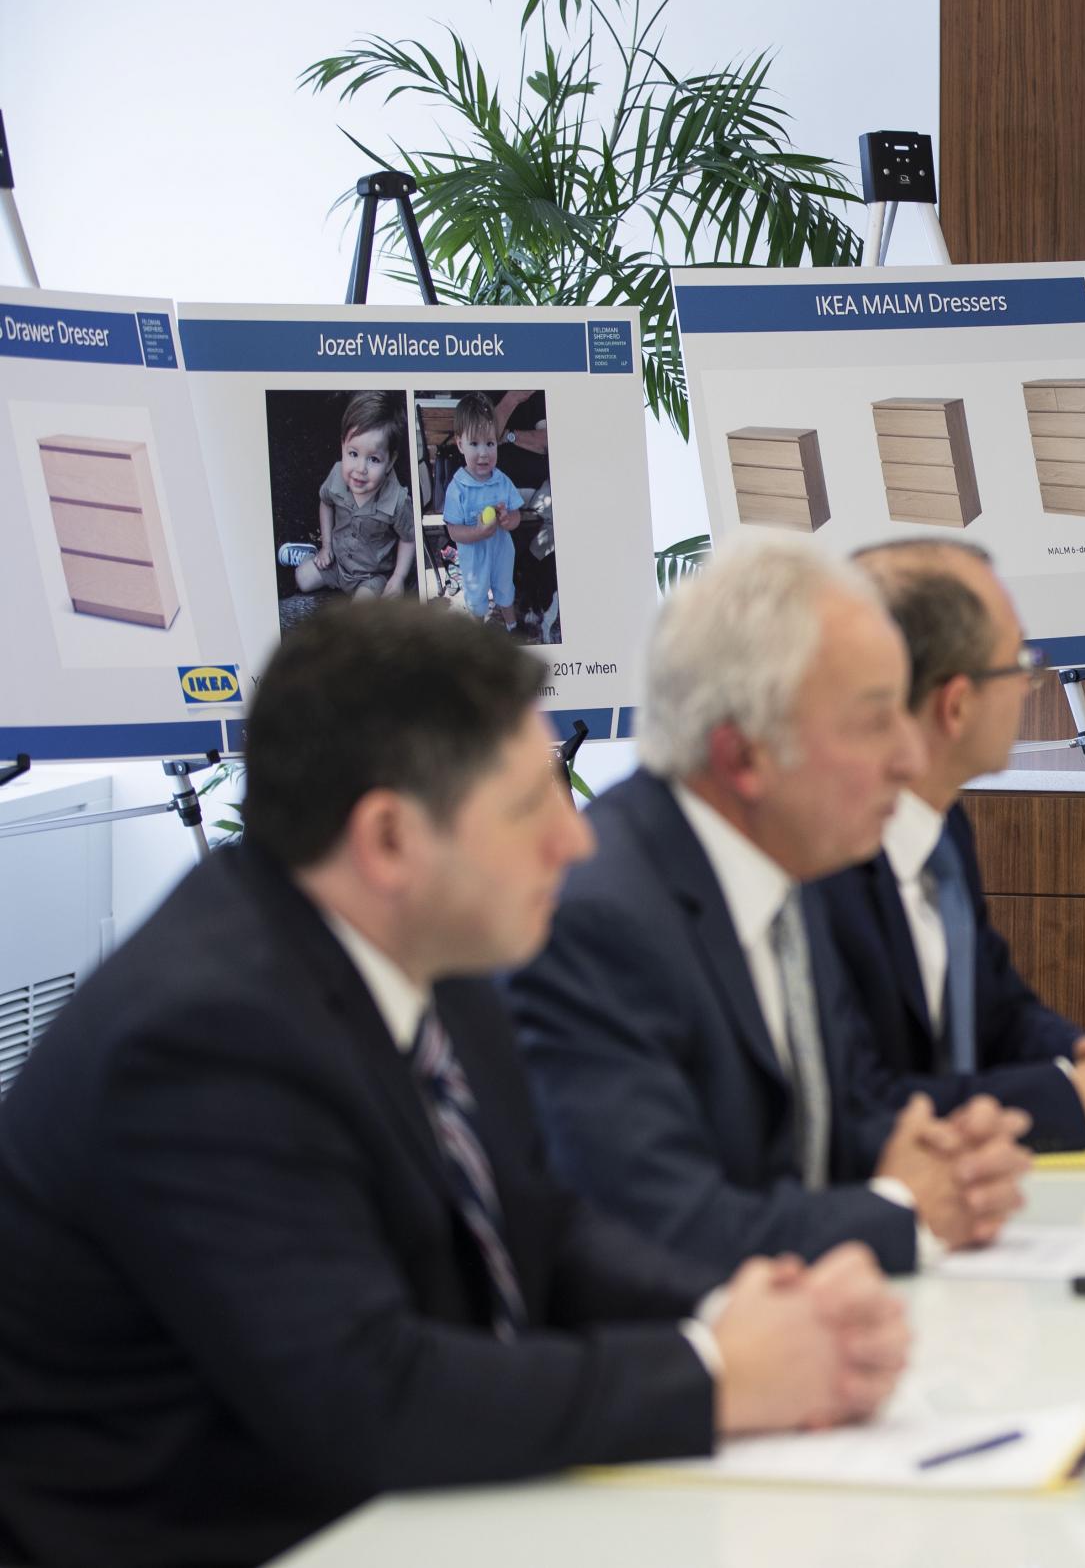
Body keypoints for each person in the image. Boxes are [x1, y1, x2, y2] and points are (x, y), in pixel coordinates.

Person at [0, 601, 910, 1568]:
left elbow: (544, 1234)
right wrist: (717, 1373)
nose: (579, 840)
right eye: (530, 807)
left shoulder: (433, 963)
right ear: (389, 838)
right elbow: (368, 1394)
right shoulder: (202, 1037)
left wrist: (735, 1304)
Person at [508, 539, 1033, 1279]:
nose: (909, 760)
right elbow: (663, 1228)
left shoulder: (785, 865)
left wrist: (946, 1158)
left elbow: (841, 1117)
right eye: (872, 721)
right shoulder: (599, 923)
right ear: (744, 756)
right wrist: (905, 1210)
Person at [819, 540, 1085, 1153]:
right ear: (957, 703)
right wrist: (1077, 1100)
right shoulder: (817, 863)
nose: (1031, 683)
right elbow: (855, 1105)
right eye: (1020, 659)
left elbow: (997, 1011)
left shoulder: (939, 825)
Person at [292, 388, 414, 599]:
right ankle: (310, 553)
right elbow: (326, 502)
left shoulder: (397, 500)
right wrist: (326, 546)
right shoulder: (337, 477)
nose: (360, 469)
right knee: (302, 578)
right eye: (353, 453)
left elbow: (409, 538)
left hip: (370, 575)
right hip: (337, 561)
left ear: (390, 461)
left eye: (373, 459)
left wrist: (398, 577)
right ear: (342, 446)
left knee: (361, 609)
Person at [441, 390, 528, 627]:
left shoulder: (501, 481)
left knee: (505, 589)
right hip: (473, 559)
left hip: (501, 553)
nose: (483, 453)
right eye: (474, 443)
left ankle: (512, 626)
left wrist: (510, 519)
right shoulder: (457, 488)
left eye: (490, 443)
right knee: (477, 597)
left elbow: (516, 514)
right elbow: (453, 531)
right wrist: (477, 533)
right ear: (460, 444)